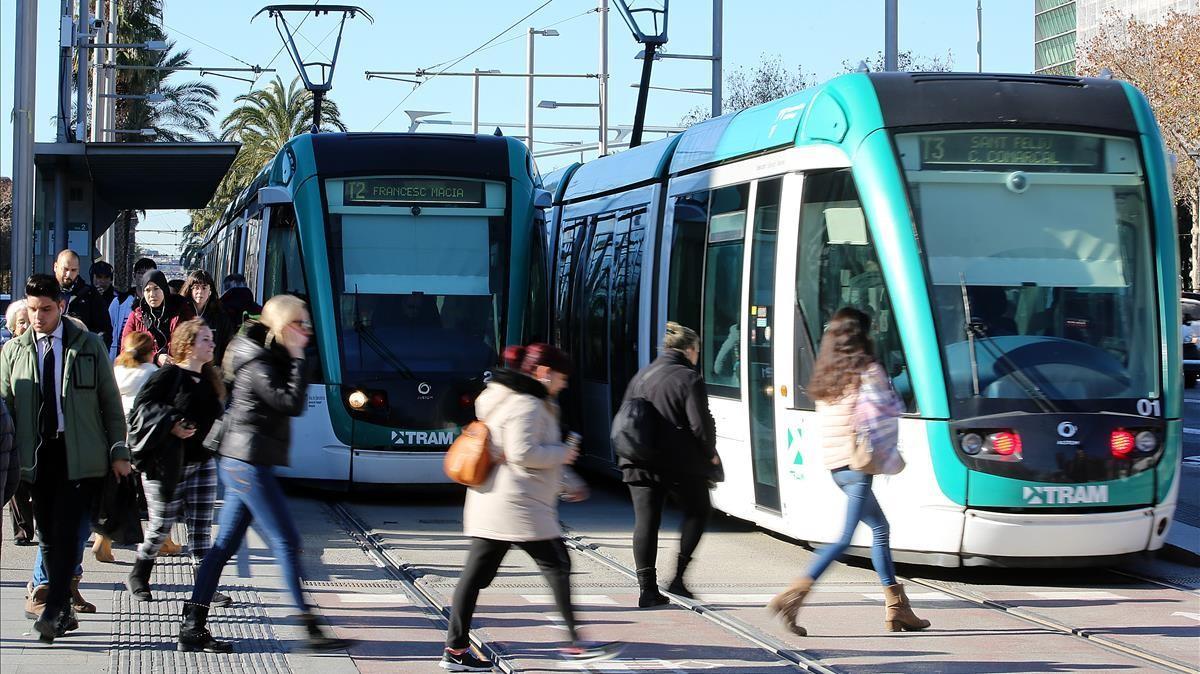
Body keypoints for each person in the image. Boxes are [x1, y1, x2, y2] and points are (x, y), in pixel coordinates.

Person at [178, 295, 348, 653]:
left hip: (245, 460)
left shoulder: (265, 353)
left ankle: (192, 627)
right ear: (282, 326)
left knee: (223, 547)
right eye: (300, 324)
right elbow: (290, 402)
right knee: (286, 540)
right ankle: (308, 625)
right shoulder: (257, 361)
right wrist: (300, 358)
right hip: (246, 463)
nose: (306, 331)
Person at [440, 343, 621, 672]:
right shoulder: (529, 403)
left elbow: (525, 451)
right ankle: (575, 645)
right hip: (519, 506)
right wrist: (564, 456)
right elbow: (524, 453)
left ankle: (455, 650)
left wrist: (568, 480)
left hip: (494, 503)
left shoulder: (507, 397)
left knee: (475, 577)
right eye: (562, 378)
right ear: (545, 373)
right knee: (557, 566)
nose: (565, 384)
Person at [766, 307, 929, 636]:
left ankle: (898, 608)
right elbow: (887, 407)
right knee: (843, 538)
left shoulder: (827, 374)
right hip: (858, 465)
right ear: (863, 336)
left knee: (880, 528)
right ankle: (793, 596)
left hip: (838, 467)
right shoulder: (867, 371)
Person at [0, 274, 131, 644]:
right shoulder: (14, 352)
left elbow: (111, 405)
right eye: (32, 309)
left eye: (45, 309)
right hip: (36, 457)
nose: (38, 317)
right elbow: (5, 409)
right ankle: (59, 607)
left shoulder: (88, 346)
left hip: (82, 455)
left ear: (61, 307)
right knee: (47, 534)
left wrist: (119, 452)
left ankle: (54, 608)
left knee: (72, 533)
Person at [127, 319, 228, 606]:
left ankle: (205, 587)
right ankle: (139, 576)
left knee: (201, 528)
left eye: (211, 339)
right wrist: (172, 423)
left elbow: (217, 418)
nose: (212, 344)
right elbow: (142, 409)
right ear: (187, 345)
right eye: (205, 340)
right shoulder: (168, 375)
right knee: (160, 525)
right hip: (166, 463)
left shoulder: (211, 378)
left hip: (202, 462)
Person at [618, 322, 719, 607]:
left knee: (647, 522)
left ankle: (647, 591)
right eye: (697, 351)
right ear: (689, 350)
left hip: (636, 459)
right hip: (676, 462)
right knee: (699, 510)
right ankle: (678, 579)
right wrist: (710, 453)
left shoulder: (642, 375)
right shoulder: (689, 378)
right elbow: (700, 425)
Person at [3, 300, 35, 546]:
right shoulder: (9, 350)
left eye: (28, 321)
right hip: (14, 423)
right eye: (20, 322)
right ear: (14, 327)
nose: (25, 326)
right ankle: (23, 528)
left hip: (38, 424)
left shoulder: (44, 347)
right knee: (17, 481)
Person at [122, 269, 182, 366]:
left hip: (173, 372)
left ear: (164, 289)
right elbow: (126, 349)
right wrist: (155, 357)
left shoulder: (179, 313)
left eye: (156, 288)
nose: (152, 294)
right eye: (147, 290)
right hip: (145, 374)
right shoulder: (136, 315)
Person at [178, 270, 232, 366]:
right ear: (190, 290)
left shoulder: (220, 315)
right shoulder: (181, 313)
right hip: (186, 367)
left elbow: (227, 344)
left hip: (211, 368)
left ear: (210, 291)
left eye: (204, 288)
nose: (200, 292)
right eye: (196, 288)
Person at [53, 250, 109, 336]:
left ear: (78, 270)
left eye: (73, 270)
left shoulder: (90, 295)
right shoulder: (45, 291)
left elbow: (104, 330)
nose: (68, 274)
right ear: (55, 267)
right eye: (65, 269)